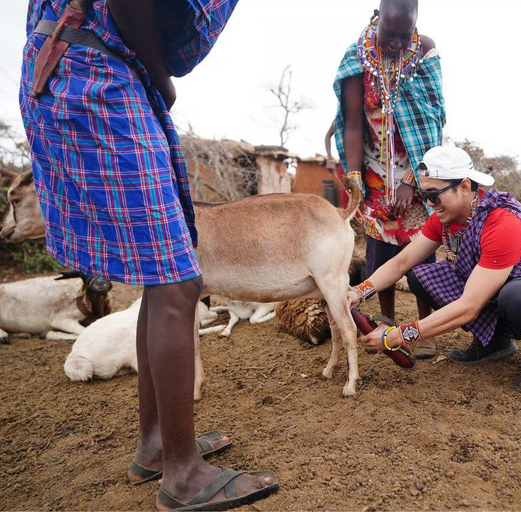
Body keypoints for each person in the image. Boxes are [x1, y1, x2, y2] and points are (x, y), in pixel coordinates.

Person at [19, 0, 277, 509]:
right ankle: (183, 475)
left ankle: (158, 445)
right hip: (96, 77)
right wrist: (162, 78)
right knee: (179, 281)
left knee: (161, 278)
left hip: (78, 68)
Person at [348, 146, 521, 395]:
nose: (428, 203)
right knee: (421, 277)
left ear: (465, 187)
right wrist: (359, 291)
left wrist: (397, 336)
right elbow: (402, 262)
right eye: (423, 194)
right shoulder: (445, 217)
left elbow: (470, 305)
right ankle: (495, 343)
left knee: (517, 295)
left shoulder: (502, 222)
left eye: (434, 195)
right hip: (492, 286)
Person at [332, 0, 446, 359]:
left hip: (416, 164)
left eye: (403, 33)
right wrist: (354, 179)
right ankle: (386, 323)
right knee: (379, 254)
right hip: (373, 172)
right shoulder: (356, 55)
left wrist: (413, 179)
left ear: (415, 24)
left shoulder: (425, 51)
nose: (395, 43)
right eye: (388, 33)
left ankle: (423, 330)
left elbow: (435, 119)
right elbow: (352, 123)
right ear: (376, 19)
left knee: (421, 254)